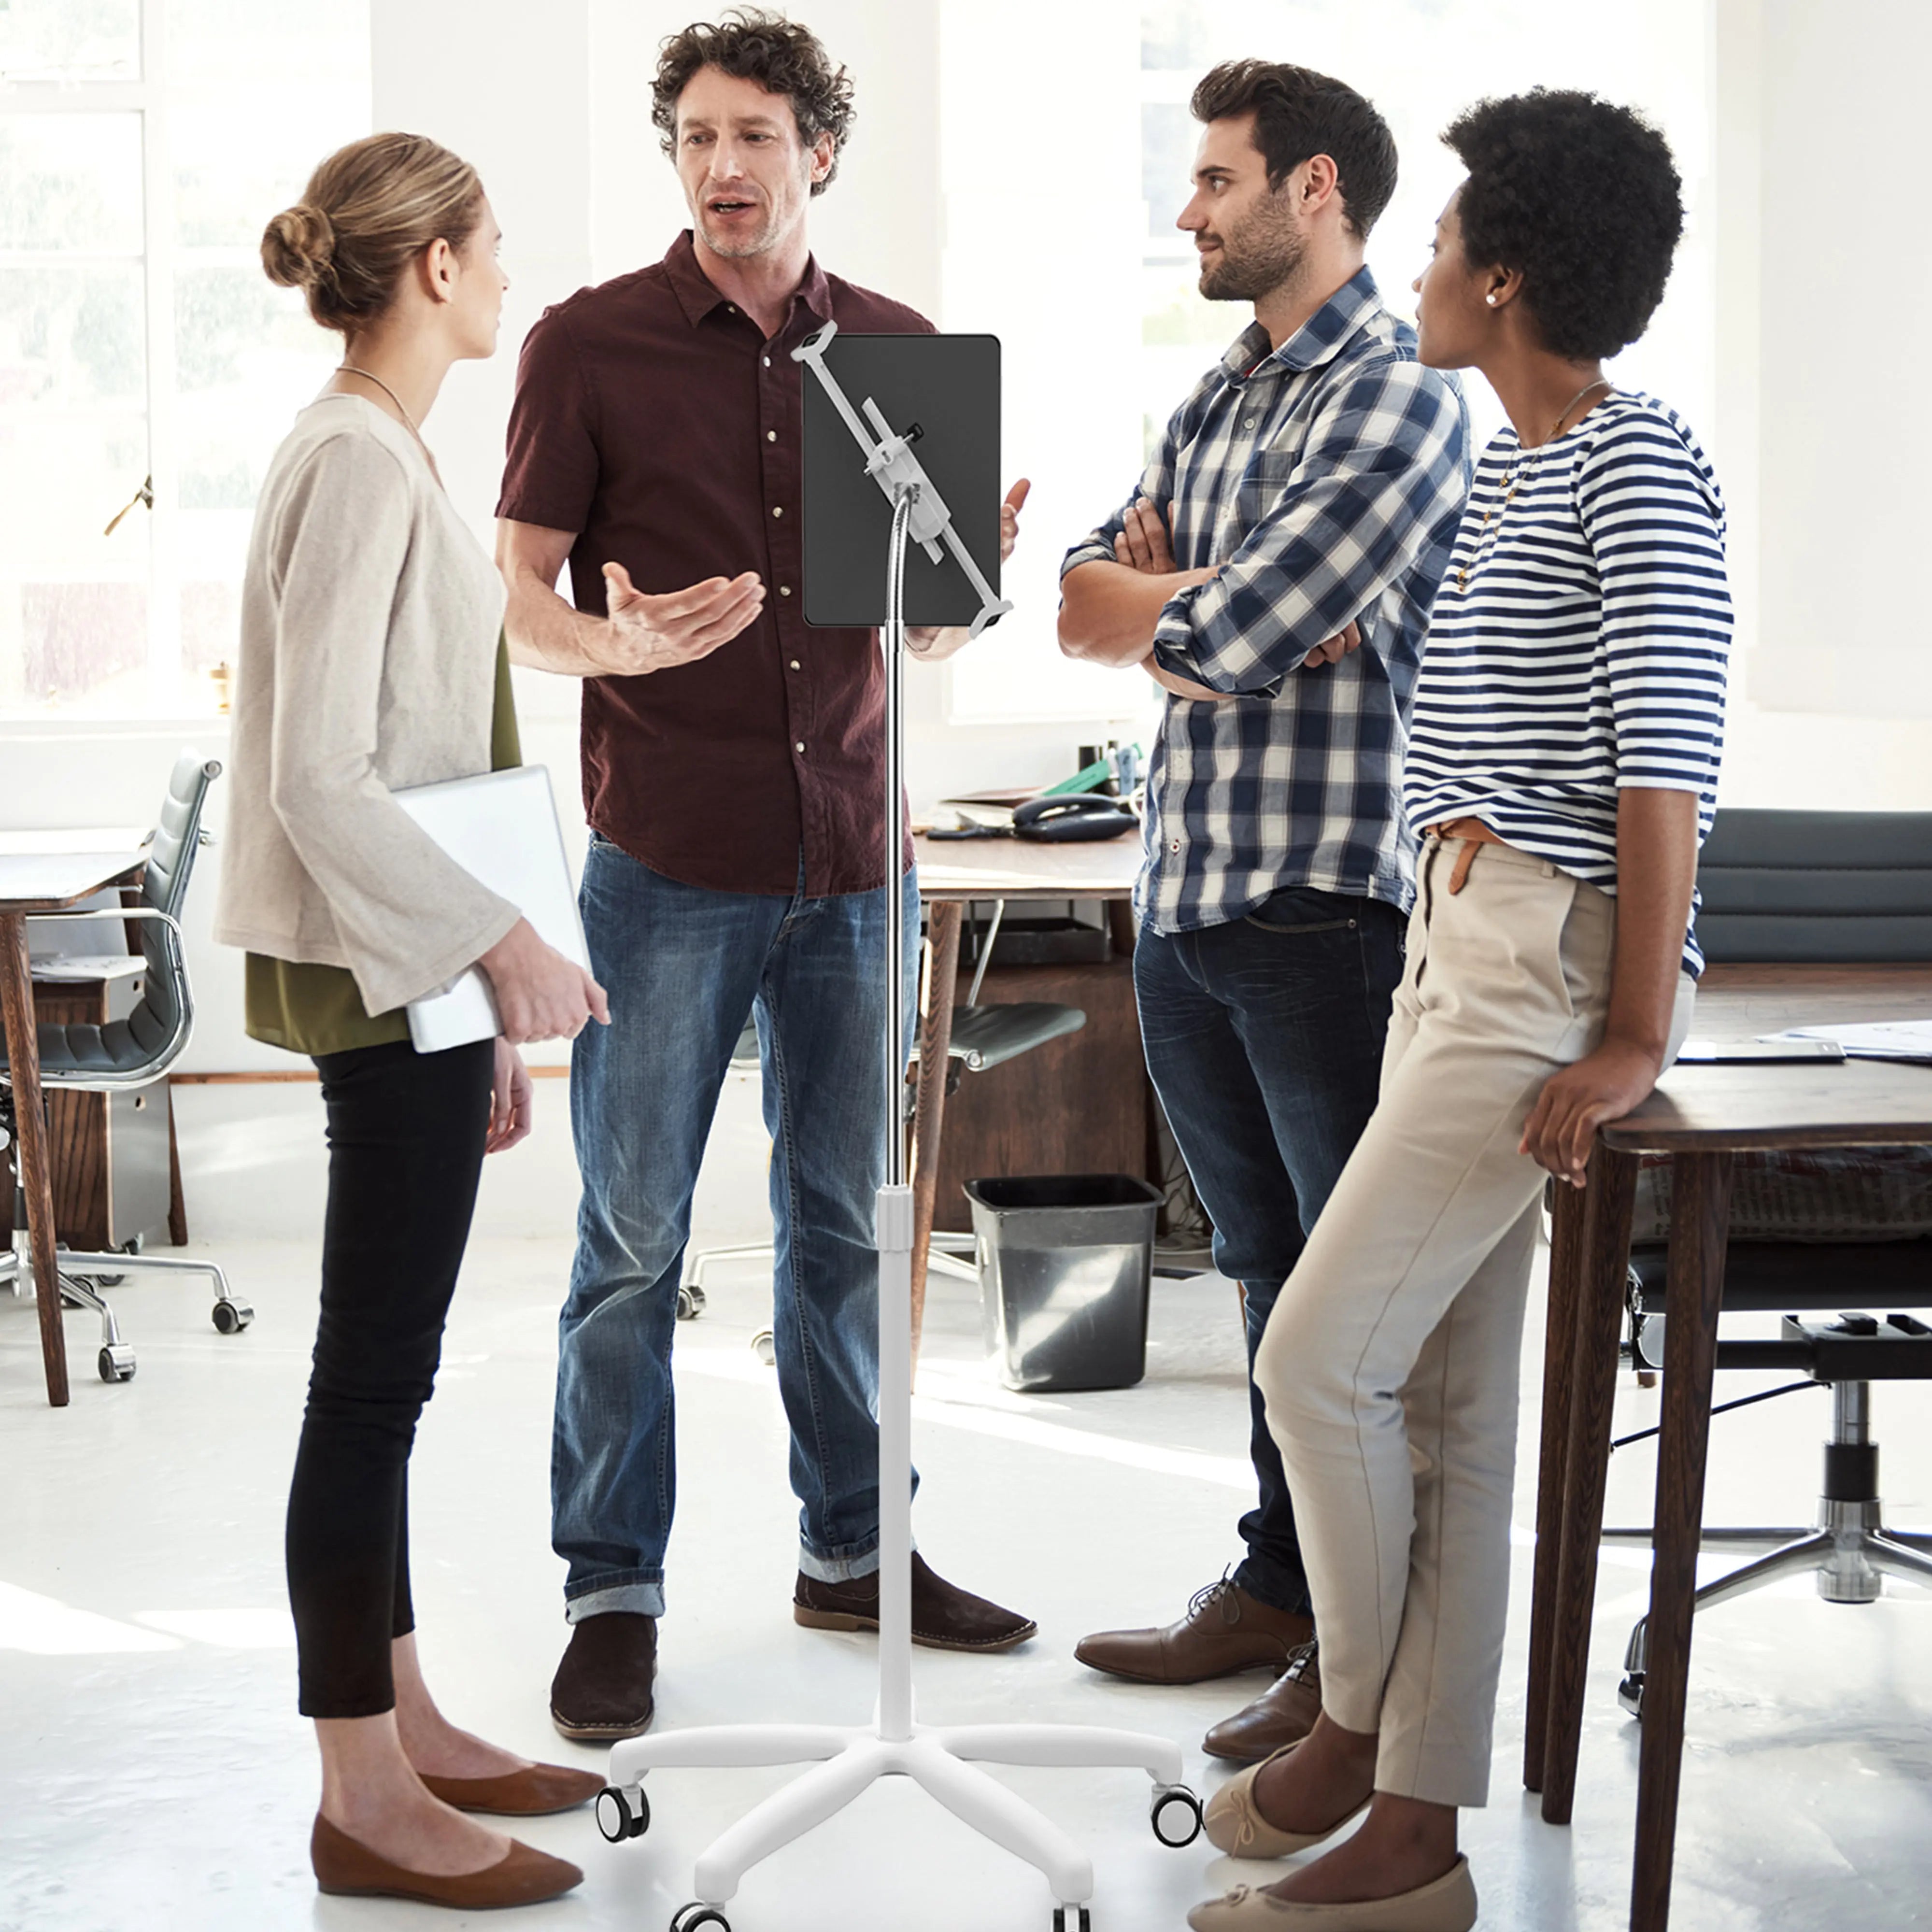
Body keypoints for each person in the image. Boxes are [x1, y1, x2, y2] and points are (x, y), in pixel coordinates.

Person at [1188, 90, 1731, 1932]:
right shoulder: (1514, 466)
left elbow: (1666, 768)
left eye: (1438, 245)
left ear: (1504, 277)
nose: (1414, 267)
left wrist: (1634, 1035)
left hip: (1537, 971)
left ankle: (1351, 1725)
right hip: (1455, 943)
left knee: (1310, 1357)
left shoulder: (1640, 464)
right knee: (1445, 1412)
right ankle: (1416, 1847)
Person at [495, 7, 1034, 1746]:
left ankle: (858, 1553)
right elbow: (520, 602)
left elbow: (932, 631)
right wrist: (619, 649)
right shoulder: (585, 347)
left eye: (756, 137)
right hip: (670, 864)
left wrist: (967, 582)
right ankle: (611, 1591)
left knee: (845, 1234)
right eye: (697, 139)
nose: (724, 168)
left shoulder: (898, 351)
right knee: (632, 1241)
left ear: (820, 154)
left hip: (860, 866)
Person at [216, 133, 612, 1910]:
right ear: (436, 269)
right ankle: (360, 1795)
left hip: (406, 975)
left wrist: (470, 995)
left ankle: (406, 1720)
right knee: (366, 1385)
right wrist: (498, 948)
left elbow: (412, 743)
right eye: (497, 246)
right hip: (390, 964)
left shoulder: (371, 448)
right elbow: (320, 776)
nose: (510, 274)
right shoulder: (360, 460)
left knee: (388, 1373)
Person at [1056, 59, 1469, 1765]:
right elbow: (1082, 603)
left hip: (1326, 911)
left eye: (1216, 182)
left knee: (1347, 1325)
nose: (1189, 213)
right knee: (1256, 1277)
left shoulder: (1396, 395)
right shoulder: (1220, 394)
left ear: (1315, 191)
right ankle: (1284, 1588)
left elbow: (1211, 639)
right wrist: (1185, 601)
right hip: (1185, 902)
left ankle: (1372, 1667)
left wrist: (1183, 606)